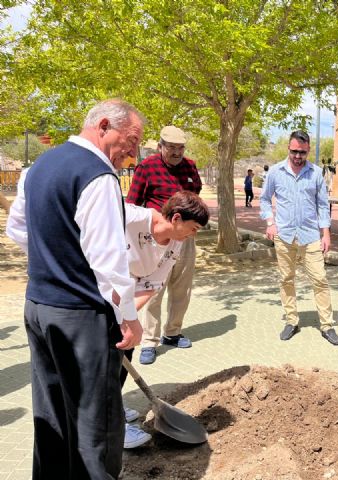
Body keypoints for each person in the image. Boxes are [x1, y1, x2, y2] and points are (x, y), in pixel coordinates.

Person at [6, 99, 145, 479]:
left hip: (39, 307)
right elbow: (109, 262)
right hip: (81, 316)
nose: (133, 153)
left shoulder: (39, 167)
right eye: (131, 141)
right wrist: (130, 319)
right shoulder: (96, 176)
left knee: (51, 413)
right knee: (94, 424)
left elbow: (18, 229)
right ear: (103, 126)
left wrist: (56, 261)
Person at [120, 190, 210, 449]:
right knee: (101, 364)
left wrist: (127, 316)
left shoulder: (175, 242)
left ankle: (112, 406)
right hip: (95, 291)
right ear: (177, 218)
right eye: (193, 228)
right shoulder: (130, 218)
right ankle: (112, 428)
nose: (194, 235)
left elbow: (153, 282)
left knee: (123, 355)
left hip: (126, 298)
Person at [126, 125, 203, 365]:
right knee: (154, 288)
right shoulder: (146, 168)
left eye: (180, 148)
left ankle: (172, 332)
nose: (177, 153)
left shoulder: (190, 167)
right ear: (161, 146)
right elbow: (132, 203)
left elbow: (196, 196)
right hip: (155, 239)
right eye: (172, 148)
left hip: (184, 237)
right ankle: (150, 340)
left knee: (182, 287)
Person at [260, 130, 338, 346]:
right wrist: (270, 223)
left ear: (308, 151)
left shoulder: (315, 173)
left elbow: (323, 205)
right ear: (288, 148)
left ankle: (327, 325)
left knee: (320, 280)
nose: (298, 156)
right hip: (284, 235)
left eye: (303, 153)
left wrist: (326, 234)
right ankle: (291, 321)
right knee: (286, 279)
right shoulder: (275, 172)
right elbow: (265, 200)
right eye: (295, 151)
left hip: (310, 235)